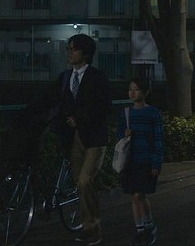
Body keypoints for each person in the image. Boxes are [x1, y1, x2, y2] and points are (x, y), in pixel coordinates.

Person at [55, 33, 111, 245]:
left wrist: (79, 117)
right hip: (73, 138)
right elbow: (55, 100)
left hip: (94, 137)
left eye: (74, 49)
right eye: (69, 48)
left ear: (86, 53)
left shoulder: (97, 77)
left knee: (86, 180)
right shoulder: (65, 77)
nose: (70, 52)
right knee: (82, 184)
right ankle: (89, 225)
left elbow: (104, 105)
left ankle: (93, 228)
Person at [117, 77, 164, 246]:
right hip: (130, 160)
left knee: (139, 195)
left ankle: (148, 227)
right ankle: (141, 229)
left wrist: (156, 162)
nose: (132, 92)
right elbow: (119, 134)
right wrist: (124, 133)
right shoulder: (126, 113)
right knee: (135, 196)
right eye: (130, 89)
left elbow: (158, 139)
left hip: (145, 160)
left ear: (145, 92)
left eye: (136, 89)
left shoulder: (153, 113)